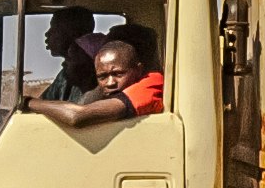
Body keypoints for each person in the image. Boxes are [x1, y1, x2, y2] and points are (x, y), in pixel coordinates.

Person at [29, 24, 165, 126]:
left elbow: (77, 116)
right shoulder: (116, 83)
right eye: (103, 76)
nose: (110, 82)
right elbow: (85, 102)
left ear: (138, 67)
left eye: (118, 73)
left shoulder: (150, 83)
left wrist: (28, 102)